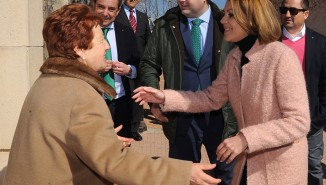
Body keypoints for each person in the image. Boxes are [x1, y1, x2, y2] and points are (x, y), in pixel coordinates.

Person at [2, 3, 221, 185]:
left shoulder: (48, 81)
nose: (107, 45)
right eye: (100, 40)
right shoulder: (82, 94)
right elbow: (116, 164)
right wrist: (182, 172)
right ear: (79, 48)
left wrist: (100, 140)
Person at [133, 0, 311, 184]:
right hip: (248, 166)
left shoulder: (281, 57)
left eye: (231, 15)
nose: (223, 20)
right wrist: (165, 97)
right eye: (225, 14)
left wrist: (243, 139)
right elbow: (210, 98)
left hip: (278, 170)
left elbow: (298, 122)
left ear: (251, 19)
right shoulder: (235, 59)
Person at [139, 0, 236, 184]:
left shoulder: (226, 23)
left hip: (222, 118)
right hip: (180, 119)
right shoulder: (164, 25)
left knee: (228, 176)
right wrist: (154, 101)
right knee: (182, 176)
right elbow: (149, 63)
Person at [279, 0, 326, 184]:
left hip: (311, 120)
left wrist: (322, 115)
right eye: (284, 9)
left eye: (293, 10)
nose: (287, 14)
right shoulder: (270, 40)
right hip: (279, 121)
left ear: (306, 14)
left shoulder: (319, 42)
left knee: (313, 167)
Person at [93, 0, 139, 139]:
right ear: (93, 5)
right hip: (93, 102)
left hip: (121, 103)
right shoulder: (82, 32)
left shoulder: (126, 31)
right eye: (101, 7)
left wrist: (129, 70)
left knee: (122, 150)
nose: (105, 13)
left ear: (118, 11)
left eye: (111, 9)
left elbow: (138, 63)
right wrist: (95, 69)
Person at [116, 0, 152, 141]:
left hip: (139, 65)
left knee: (138, 98)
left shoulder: (143, 17)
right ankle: (121, 127)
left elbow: (149, 42)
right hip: (121, 64)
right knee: (123, 97)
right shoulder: (117, 14)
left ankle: (134, 128)